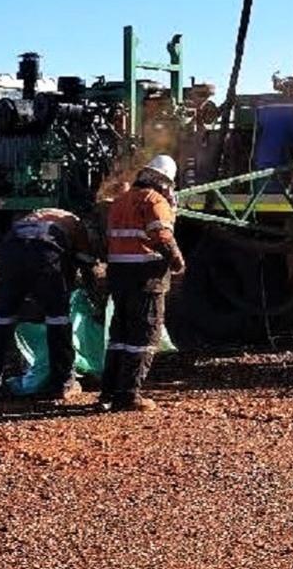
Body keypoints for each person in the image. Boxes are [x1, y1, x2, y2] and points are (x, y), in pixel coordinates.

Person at [0, 207, 95, 401]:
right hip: (45, 253)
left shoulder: (32, 217)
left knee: (2, 320)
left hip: (10, 253)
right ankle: (63, 384)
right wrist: (91, 295)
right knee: (58, 320)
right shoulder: (74, 222)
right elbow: (86, 260)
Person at [100, 154, 185, 411]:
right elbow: (161, 235)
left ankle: (108, 392)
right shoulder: (154, 200)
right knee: (144, 335)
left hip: (119, 275)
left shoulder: (120, 201)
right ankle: (128, 396)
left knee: (120, 335)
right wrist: (177, 261)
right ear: (164, 181)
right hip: (145, 276)